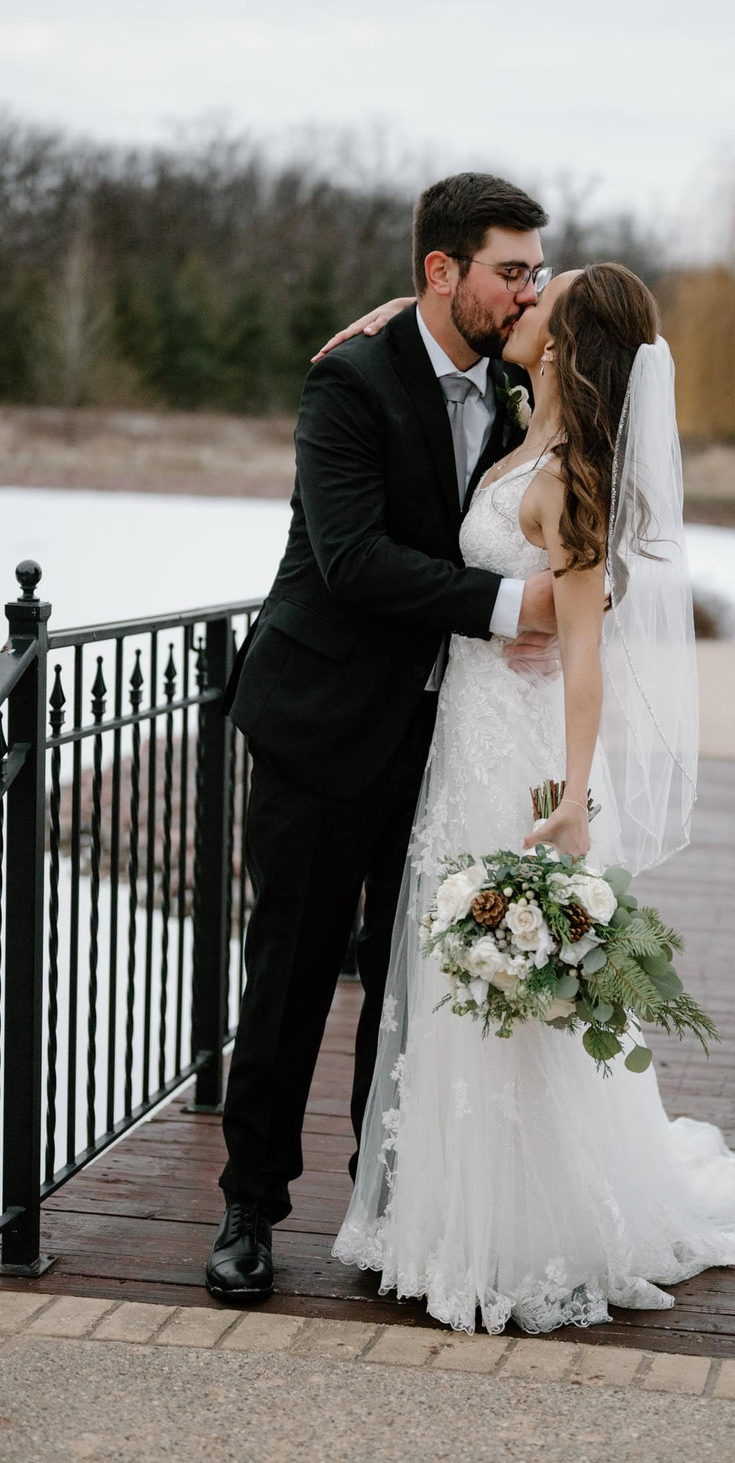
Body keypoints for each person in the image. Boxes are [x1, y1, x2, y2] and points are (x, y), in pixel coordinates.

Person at [331, 264, 735, 1334]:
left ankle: (520, 1233)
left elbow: (584, 656)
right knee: (452, 977)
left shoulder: (570, 476)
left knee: (511, 985)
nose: (521, 302)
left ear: (563, 342)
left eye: (538, 296)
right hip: (464, 733)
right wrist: (380, 318)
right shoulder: (521, 427)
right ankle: (442, 1219)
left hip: (523, 759)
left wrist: (570, 802)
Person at [206, 172, 562, 1301]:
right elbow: (350, 556)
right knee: (290, 976)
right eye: (510, 271)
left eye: (533, 273)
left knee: (412, 974)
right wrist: (511, 609)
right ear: (438, 272)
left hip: (441, 732)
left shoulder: (515, 386)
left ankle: (383, 1208)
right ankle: (247, 1212)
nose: (526, 292)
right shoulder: (348, 377)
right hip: (322, 723)